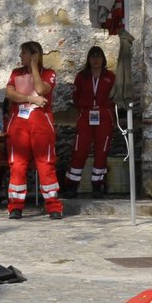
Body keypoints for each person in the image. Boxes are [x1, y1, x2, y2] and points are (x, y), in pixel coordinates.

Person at [4, 40, 64, 219]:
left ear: (34, 55)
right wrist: (31, 99)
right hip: (19, 124)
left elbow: (40, 88)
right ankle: (15, 206)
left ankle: (53, 206)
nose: (20, 56)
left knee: (45, 164)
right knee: (17, 164)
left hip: (41, 124)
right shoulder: (16, 73)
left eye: (24, 53)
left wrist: (34, 67)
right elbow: (10, 94)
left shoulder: (49, 73)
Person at [62, 45, 115, 199]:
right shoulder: (81, 76)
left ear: (103, 59)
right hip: (85, 115)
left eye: (99, 56)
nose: (96, 60)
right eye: (93, 56)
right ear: (88, 59)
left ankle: (97, 186)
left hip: (104, 115)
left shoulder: (110, 77)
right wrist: (84, 108)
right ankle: (71, 184)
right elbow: (75, 97)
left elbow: (115, 96)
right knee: (80, 149)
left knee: (101, 151)